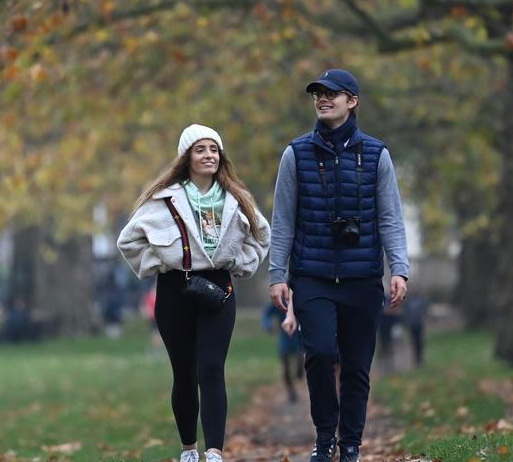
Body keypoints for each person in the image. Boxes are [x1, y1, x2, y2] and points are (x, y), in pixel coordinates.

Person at [268, 69, 410, 462]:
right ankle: (324, 436)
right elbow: (283, 219)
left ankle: (350, 445)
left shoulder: (377, 155)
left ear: (353, 101)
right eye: (318, 93)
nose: (323, 98)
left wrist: (398, 268)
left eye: (332, 93)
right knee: (316, 352)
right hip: (312, 276)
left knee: (356, 367)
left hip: (362, 278)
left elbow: (391, 218)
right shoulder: (295, 154)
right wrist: (277, 274)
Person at [118, 124, 271, 462]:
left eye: (214, 149)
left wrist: (243, 264)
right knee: (184, 372)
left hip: (219, 288)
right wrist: (159, 260)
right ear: (187, 156)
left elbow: (262, 235)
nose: (209, 156)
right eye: (200, 149)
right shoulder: (163, 200)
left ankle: (214, 451)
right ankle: (189, 449)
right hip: (175, 289)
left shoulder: (235, 199)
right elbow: (128, 240)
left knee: (212, 369)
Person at [263, 300, 304, 402]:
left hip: (298, 336)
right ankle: (291, 391)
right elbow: (267, 313)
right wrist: (267, 324)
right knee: (286, 366)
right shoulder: (279, 300)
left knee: (300, 362)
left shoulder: (299, 295)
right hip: (285, 337)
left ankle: (300, 370)